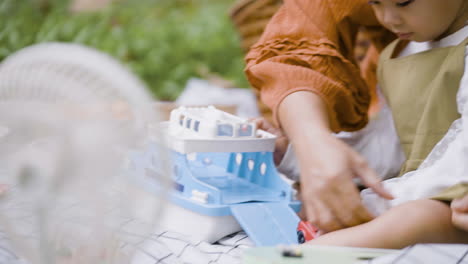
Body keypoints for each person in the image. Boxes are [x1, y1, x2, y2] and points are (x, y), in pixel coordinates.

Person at [252, 0, 468, 248]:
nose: (388, 18)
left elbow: (459, 167)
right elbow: (391, 147)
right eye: (374, 3)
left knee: (419, 217)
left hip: (452, 200)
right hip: (409, 192)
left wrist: (371, 203)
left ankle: (313, 250)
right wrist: (292, 153)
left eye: (403, 3)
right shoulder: (399, 52)